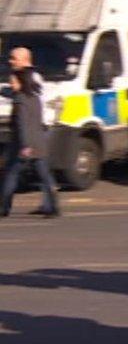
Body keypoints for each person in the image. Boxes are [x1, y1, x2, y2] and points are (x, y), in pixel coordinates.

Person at [0, 47, 60, 218]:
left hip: (32, 134)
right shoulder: (27, 84)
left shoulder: (32, 80)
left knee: (14, 171)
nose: (10, 61)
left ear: (25, 59)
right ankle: (50, 206)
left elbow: (25, 118)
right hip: (33, 135)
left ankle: (5, 207)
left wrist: (26, 143)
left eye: (14, 58)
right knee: (41, 172)